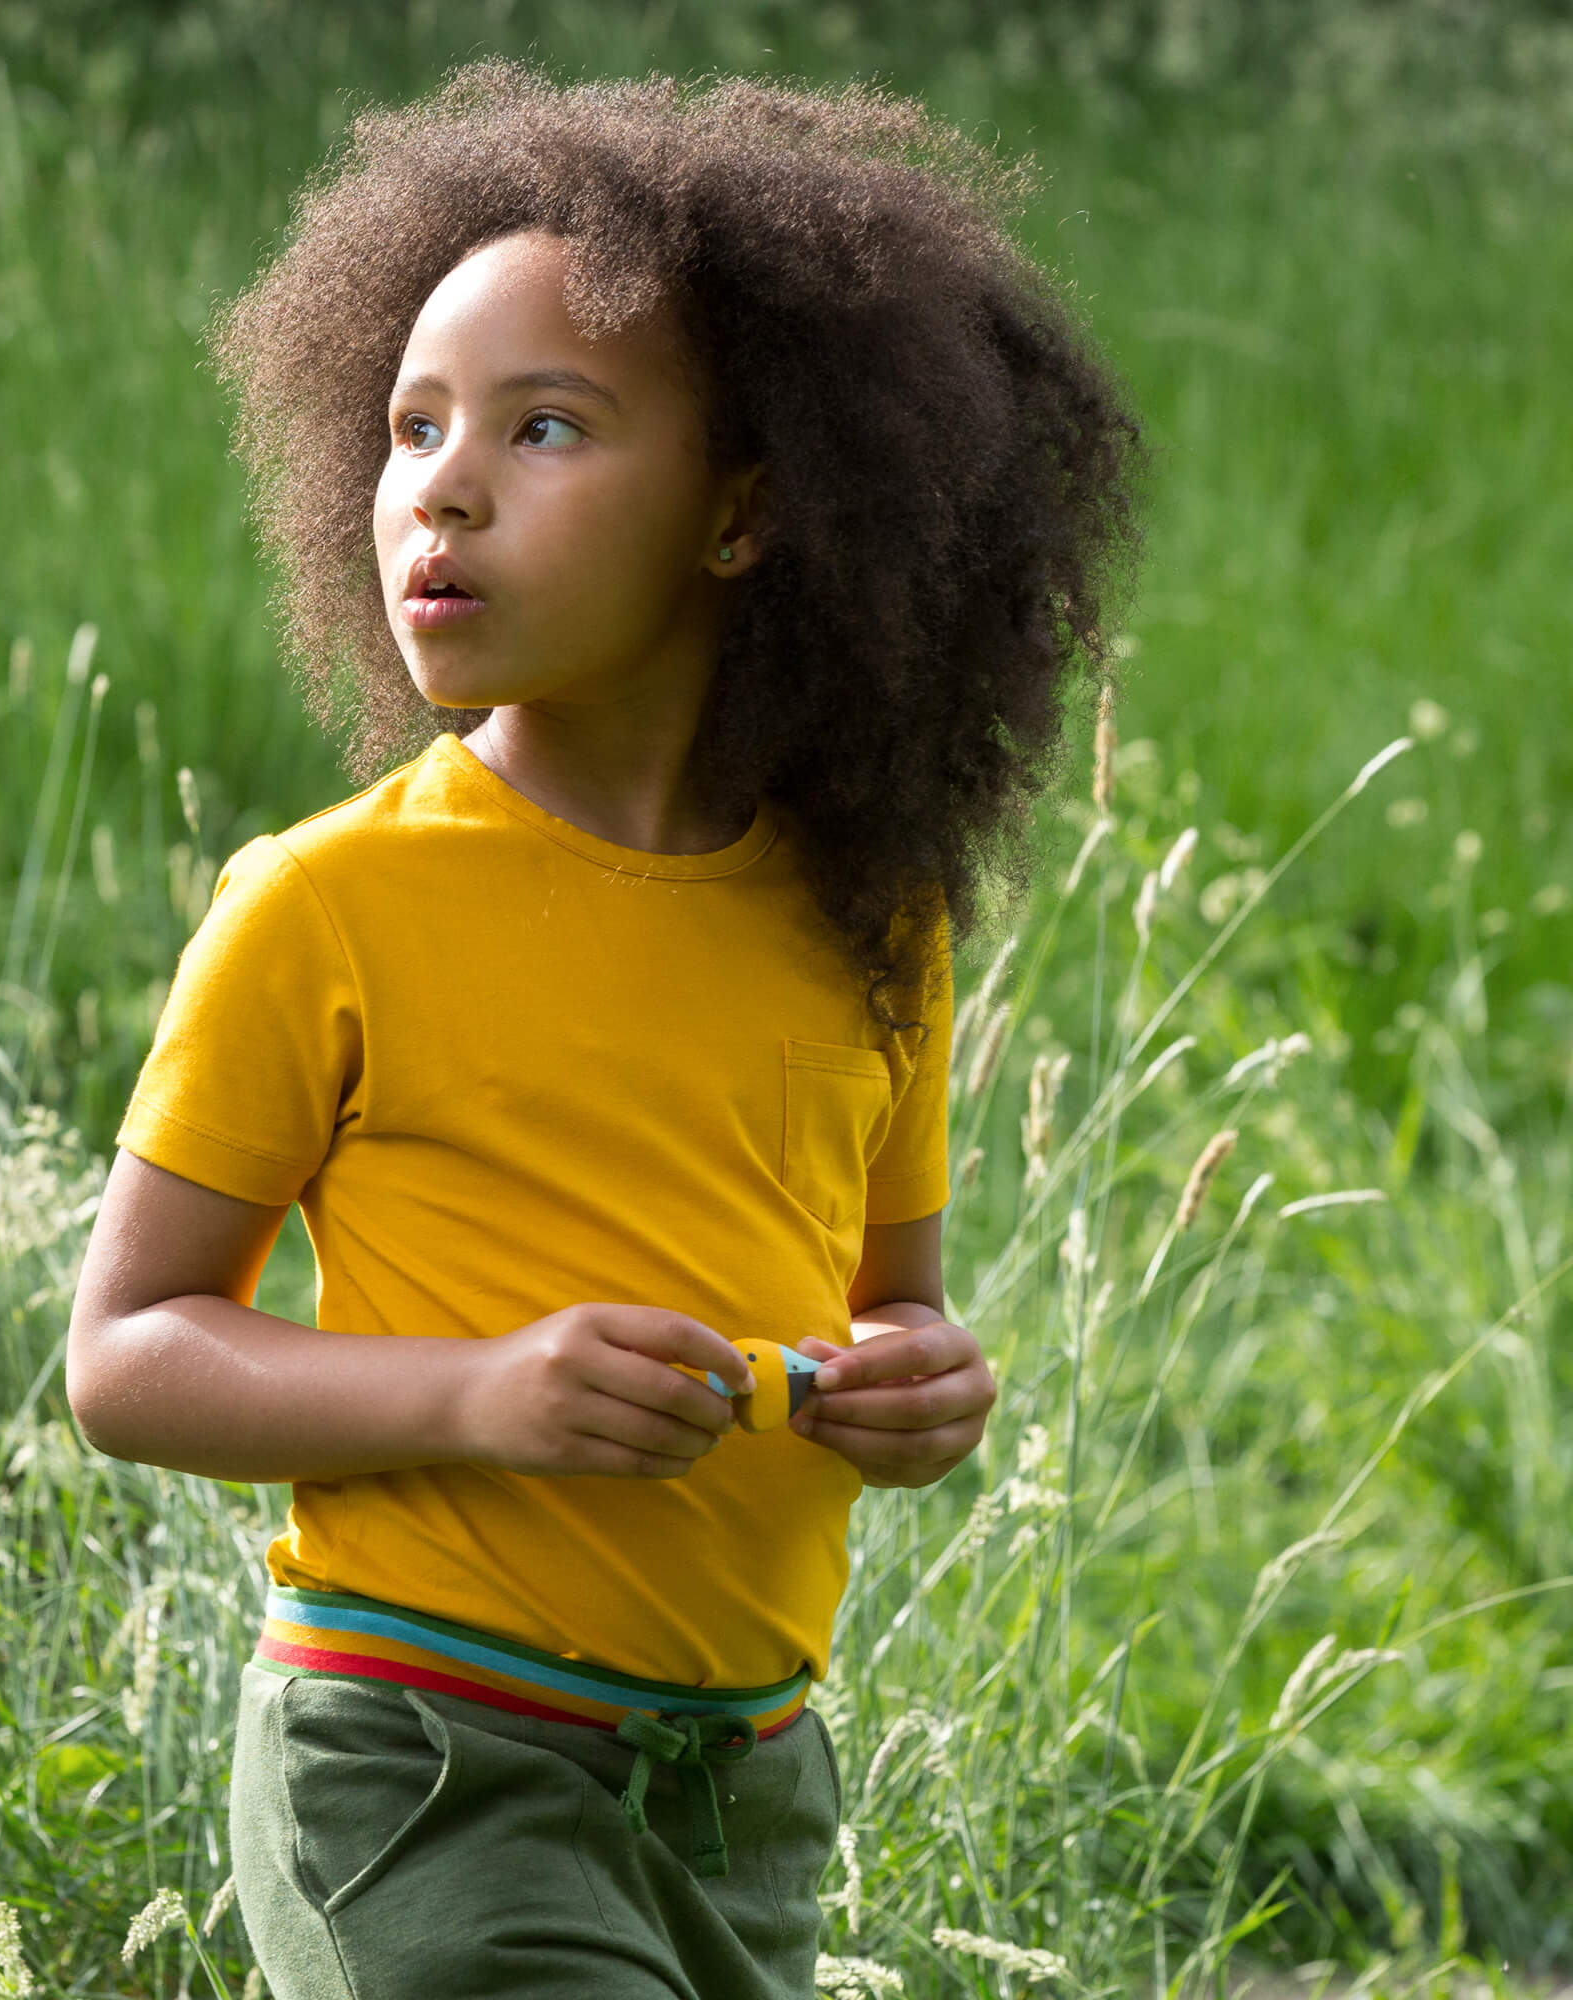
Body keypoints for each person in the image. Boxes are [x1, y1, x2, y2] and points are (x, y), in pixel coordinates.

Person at [66, 60, 1141, 2000]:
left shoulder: (864, 917)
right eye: (406, 429)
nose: (441, 486)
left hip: (741, 1798)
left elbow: (883, 1304)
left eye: (541, 426)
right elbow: (128, 1355)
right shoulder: (325, 905)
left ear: (745, 516)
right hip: (419, 1756)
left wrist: (918, 1392)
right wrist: (476, 1393)